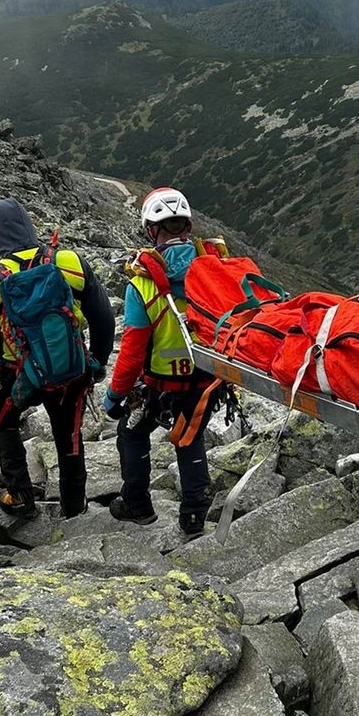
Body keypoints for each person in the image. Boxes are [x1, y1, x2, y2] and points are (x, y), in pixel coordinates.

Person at [0, 199, 114, 518]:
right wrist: (98, 361)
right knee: (68, 434)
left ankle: (20, 495)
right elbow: (103, 318)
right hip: (68, 369)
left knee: (4, 424)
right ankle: (73, 505)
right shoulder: (69, 261)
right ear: (28, 225)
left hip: (15, 372)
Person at [102, 187, 228, 537]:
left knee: (131, 433)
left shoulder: (142, 285)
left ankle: (137, 505)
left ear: (150, 230)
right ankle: (194, 517)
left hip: (160, 384)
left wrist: (114, 395)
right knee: (189, 438)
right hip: (205, 380)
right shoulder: (215, 272)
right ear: (188, 226)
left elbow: (132, 352)